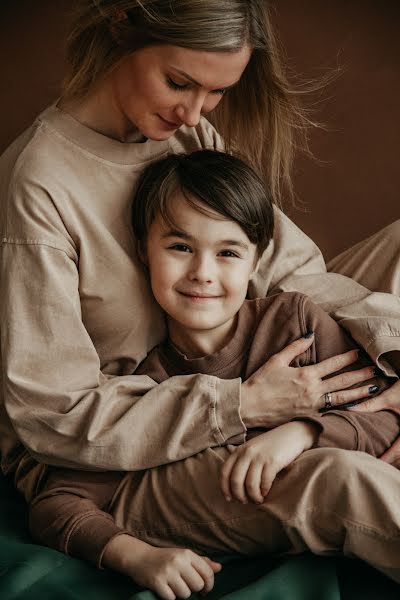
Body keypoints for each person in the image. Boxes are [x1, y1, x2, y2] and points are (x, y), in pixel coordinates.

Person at [0, 0, 399, 596]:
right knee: (337, 477)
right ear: (120, 28)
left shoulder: (185, 131)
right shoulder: (37, 188)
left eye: (215, 92)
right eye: (179, 81)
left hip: (232, 351)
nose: (192, 111)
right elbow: (52, 416)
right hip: (120, 449)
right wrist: (241, 405)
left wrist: (391, 352)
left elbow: (287, 269)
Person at [29, 150, 400, 599]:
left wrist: (300, 432)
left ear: (256, 261)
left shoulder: (293, 321)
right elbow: (57, 502)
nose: (202, 273)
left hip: (317, 480)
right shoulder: (147, 385)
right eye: (180, 247)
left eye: (227, 252)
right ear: (145, 250)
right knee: (345, 475)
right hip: (238, 508)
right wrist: (136, 556)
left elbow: (379, 415)